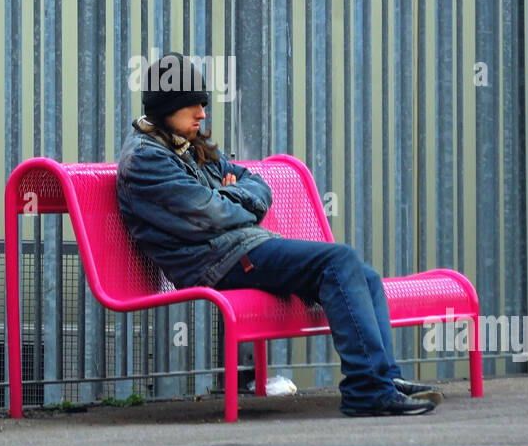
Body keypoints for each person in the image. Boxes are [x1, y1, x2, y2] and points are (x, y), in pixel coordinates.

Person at [115, 52, 439, 416]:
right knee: (339, 259)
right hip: (214, 263)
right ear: (164, 108)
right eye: (192, 105)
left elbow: (258, 187)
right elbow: (211, 214)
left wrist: (231, 194)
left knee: (364, 275)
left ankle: (383, 377)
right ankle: (367, 389)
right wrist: (231, 197)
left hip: (241, 248)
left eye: (203, 105)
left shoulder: (189, 145)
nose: (203, 114)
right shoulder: (146, 159)